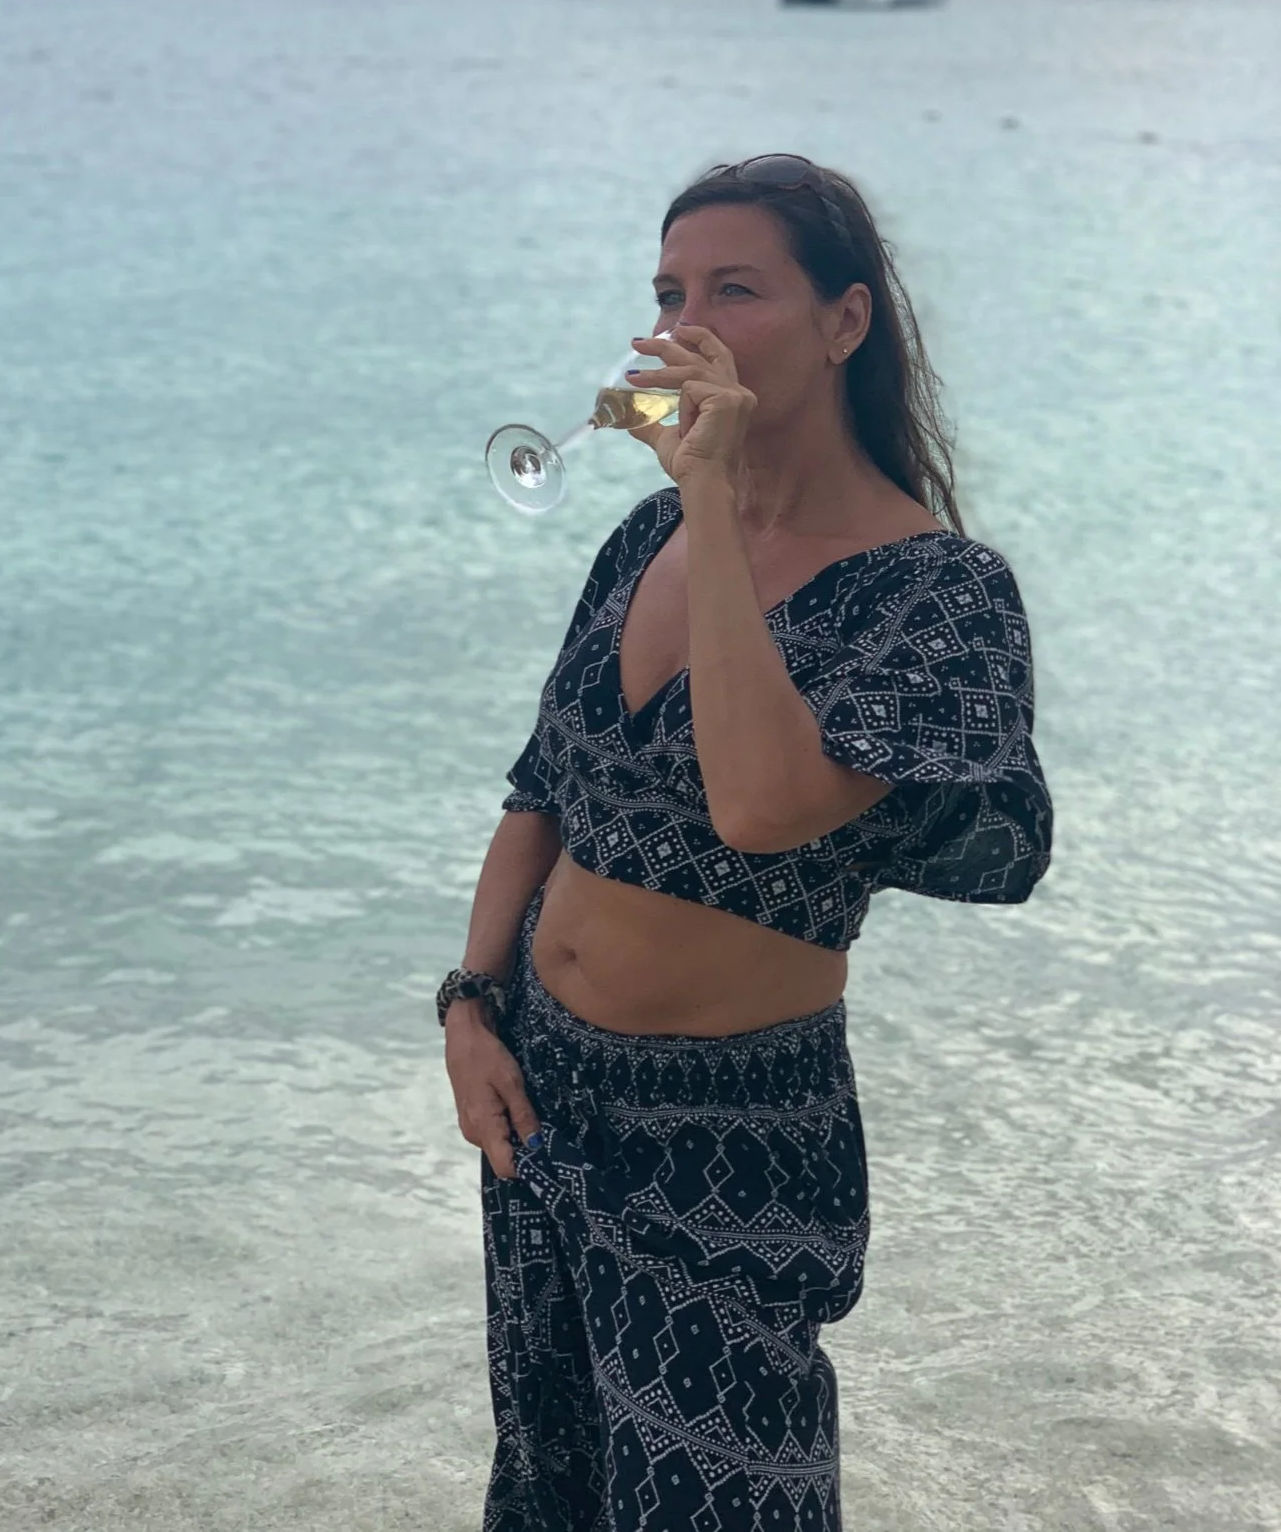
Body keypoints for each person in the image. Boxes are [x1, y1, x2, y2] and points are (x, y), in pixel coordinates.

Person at [440, 155, 1053, 1532]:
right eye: (669, 294)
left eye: (735, 290)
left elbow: (761, 807)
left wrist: (714, 500)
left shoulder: (935, 594)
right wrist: (469, 1009)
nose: (686, 327)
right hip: (543, 1091)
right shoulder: (641, 540)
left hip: (728, 1141)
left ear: (846, 322)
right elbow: (542, 791)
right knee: (554, 1487)